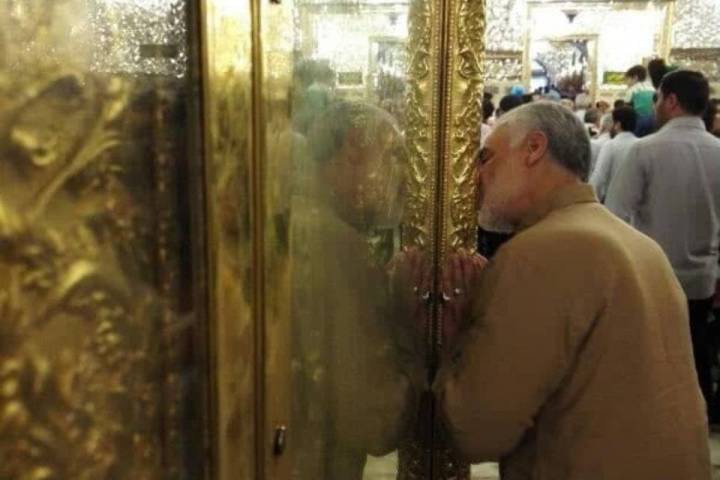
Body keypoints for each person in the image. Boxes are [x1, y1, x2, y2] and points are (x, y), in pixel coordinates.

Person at [434, 101, 710, 479]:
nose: (476, 176)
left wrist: (452, 336)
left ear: (534, 148)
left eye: (486, 157)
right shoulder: (637, 243)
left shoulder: (540, 253)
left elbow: (478, 429)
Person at [606, 70, 720, 423]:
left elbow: (615, 216)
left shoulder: (646, 149)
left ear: (671, 101)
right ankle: (696, 421)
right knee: (696, 350)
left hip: (652, 276)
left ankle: (655, 422)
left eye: (656, 98)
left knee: (652, 355)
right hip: (703, 276)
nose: (653, 106)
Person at [590, 106, 638, 202]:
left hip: (612, 205)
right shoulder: (641, 145)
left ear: (618, 125)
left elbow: (598, 180)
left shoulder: (610, 146)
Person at [624, 64, 656, 137]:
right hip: (654, 120)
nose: (626, 83)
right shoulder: (652, 88)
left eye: (627, 79)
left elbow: (626, 109)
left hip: (639, 121)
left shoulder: (632, 89)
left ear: (635, 77)